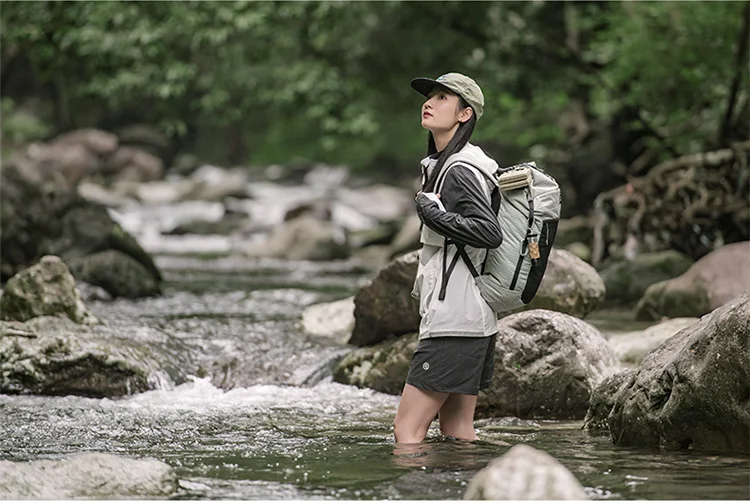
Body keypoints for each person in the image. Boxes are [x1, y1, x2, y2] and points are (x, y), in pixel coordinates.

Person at [393, 72, 502, 444]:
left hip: (455, 321)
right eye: (430, 96)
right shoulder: (451, 163)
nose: (430, 102)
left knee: (407, 431)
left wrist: (431, 212)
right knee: (457, 430)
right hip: (473, 319)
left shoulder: (458, 170)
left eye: (443, 98)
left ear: (464, 115)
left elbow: (488, 233)